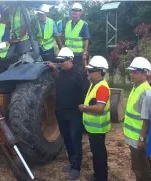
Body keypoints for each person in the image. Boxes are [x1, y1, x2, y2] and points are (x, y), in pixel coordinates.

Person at [46, 47, 89, 180]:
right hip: (61, 112)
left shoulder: (79, 74)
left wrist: (84, 109)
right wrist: (54, 67)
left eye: (62, 61)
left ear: (70, 60)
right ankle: (72, 163)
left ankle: (76, 168)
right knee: (67, 139)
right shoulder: (62, 73)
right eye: (59, 61)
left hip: (74, 113)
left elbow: (86, 92)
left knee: (75, 139)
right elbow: (61, 76)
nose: (61, 63)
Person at [124, 57, 151, 181]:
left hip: (139, 140)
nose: (132, 74)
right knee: (137, 167)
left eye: (135, 72)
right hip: (134, 138)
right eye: (131, 71)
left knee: (142, 169)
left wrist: (142, 139)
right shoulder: (136, 87)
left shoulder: (147, 94)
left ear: (144, 74)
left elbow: (147, 120)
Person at [78, 56, 111, 181]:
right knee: (96, 153)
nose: (88, 73)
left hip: (98, 128)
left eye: (91, 71)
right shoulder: (94, 84)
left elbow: (99, 108)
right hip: (93, 128)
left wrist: (84, 108)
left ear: (99, 72)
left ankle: (101, 177)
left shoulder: (102, 87)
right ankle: (98, 175)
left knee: (99, 155)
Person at [60, 3, 90, 70]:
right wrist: (62, 45)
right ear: (71, 12)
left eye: (77, 11)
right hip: (68, 53)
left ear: (80, 12)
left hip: (78, 54)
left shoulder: (83, 25)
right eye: (73, 10)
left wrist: (84, 53)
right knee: (68, 71)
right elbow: (64, 37)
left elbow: (86, 40)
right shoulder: (67, 24)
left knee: (77, 72)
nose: (75, 12)